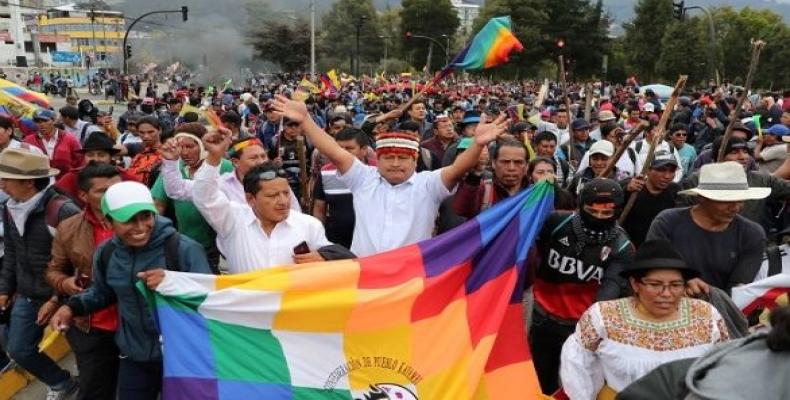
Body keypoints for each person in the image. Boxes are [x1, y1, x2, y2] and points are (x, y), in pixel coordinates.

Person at [273, 95, 508, 257]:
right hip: (364, 275)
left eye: (403, 158)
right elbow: (333, 149)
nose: (395, 164)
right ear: (378, 158)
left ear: (414, 160)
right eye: (389, 158)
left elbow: (457, 169)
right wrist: (306, 121)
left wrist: (477, 144)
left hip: (410, 279)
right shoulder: (363, 178)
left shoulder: (428, 184)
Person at [48, 181, 212, 400]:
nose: (141, 227)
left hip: (182, 357)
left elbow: (209, 300)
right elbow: (102, 293)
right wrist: (71, 307)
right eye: (129, 220)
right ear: (107, 223)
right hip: (134, 356)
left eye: (146, 216)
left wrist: (174, 282)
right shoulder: (106, 253)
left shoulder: (184, 249)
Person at [560, 240, 729, 400]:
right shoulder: (603, 315)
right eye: (655, 284)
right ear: (635, 284)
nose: (666, 293)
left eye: (676, 285)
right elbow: (578, 364)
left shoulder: (706, 315)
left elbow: (722, 366)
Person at [530, 178, 635, 394]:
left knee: (575, 387)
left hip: (580, 328)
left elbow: (610, 289)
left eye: (607, 213)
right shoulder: (556, 221)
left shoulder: (622, 247)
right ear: (580, 205)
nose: (599, 217)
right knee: (539, 380)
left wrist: (592, 332)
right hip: (542, 317)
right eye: (592, 211)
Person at [192, 129, 334, 273]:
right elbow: (203, 195)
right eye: (272, 196)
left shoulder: (309, 225)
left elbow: (331, 266)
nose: (283, 201)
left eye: (286, 193)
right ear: (250, 199)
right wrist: (214, 157)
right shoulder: (233, 221)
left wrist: (323, 258)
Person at [0, 149, 81, 399]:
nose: (1, 184)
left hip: (68, 295)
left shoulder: (62, 210)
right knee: (20, 348)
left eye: (6, 179)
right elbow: (12, 252)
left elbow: (80, 263)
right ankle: (61, 382)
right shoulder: (10, 207)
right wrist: (4, 289)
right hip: (29, 292)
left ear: (28, 182)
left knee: (85, 350)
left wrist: (56, 298)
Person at [46, 164, 123, 400]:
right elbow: (54, 270)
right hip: (91, 326)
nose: (112, 195)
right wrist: (65, 283)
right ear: (82, 195)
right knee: (95, 389)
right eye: (102, 191)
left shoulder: (143, 222)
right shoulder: (68, 228)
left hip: (137, 324)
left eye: (117, 188)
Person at [647, 162, 768, 294]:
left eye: (740, 200)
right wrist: (681, 281)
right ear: (702, 198)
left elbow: (737, 290)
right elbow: (652, 267)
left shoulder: (751, 234)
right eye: (726, 200)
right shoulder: (667, 223)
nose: (735, 207)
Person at [153, 123, 231, 272]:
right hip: (185, 242)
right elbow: (166, 198)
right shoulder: (174, 168)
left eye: (190, 147)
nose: (184, 152)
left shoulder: (225, 167)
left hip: (218, 247)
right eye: (180, 147)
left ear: (203, 146)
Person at [312, 128, 370, 249]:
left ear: (364, 150)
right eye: (339, 149)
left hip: (369, 242)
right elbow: (319, 208)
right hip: (336, 242)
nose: (343, 153)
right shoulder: (325, 173)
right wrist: (319, 238)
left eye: (349, 148)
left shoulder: (376, 172)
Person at [55, 132, 138, 206]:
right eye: (90, 155)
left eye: (101, 155)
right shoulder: (72, 177)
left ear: (111, 157)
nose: (95, 159)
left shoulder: (126, 178)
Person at [619, 151, 682, 247]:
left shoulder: (676, 192)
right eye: (661, 170)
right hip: (630, 248)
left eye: (672, 171)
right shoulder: (632, 189)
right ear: (648, 170)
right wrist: (626, 191)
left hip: (659, 249)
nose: (667, 176)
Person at [453, 139, 530, 218]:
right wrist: (475, 174)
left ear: (527, 166)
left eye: (518, 162)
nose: (511, 168)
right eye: (505, 162)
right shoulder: (483, 190)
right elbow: (462, 210)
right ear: (493, 163)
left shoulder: (536, 194)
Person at [24, 109, 83, 179]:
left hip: (64, 183)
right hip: (38, 183)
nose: (41, 124)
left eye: (45, 121)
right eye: (37, 121)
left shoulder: (69, 139)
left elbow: (80, 161)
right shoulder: (28, 140)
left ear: (54, 121)